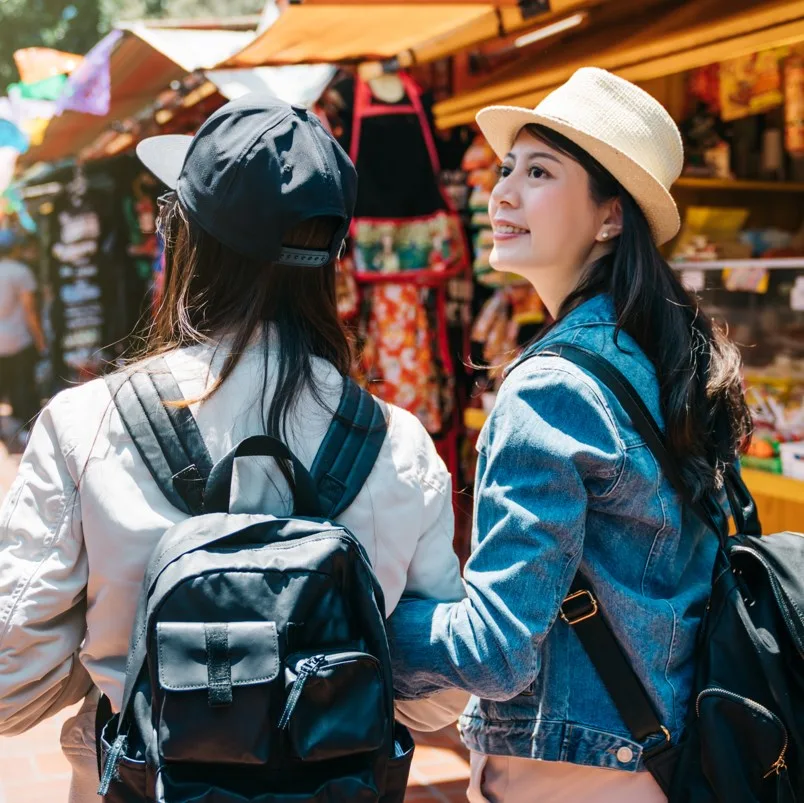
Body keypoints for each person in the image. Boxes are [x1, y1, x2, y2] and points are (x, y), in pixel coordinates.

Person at [0, 95, 467, 802]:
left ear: (185, 241)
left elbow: (10, 684)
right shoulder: (398, 444)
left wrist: (120, 661)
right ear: (330, 258)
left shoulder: (83, 423)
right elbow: (437, 699)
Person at [388, 68, 752, 802]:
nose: (503, 194)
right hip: (668, 757)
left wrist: (357, 620)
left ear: (611, 217)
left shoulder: (552, 387)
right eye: (507, 170)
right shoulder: (666, 356)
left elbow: (496, 650)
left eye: (541, 171)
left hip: (566, 773)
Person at [0, 233, 46, 442]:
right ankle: (29, 434)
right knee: (25, 387)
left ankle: (9, 432)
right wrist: (41, 342)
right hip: (19, 341)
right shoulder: (21, 272)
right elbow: (30, 311)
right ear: (16, 249)